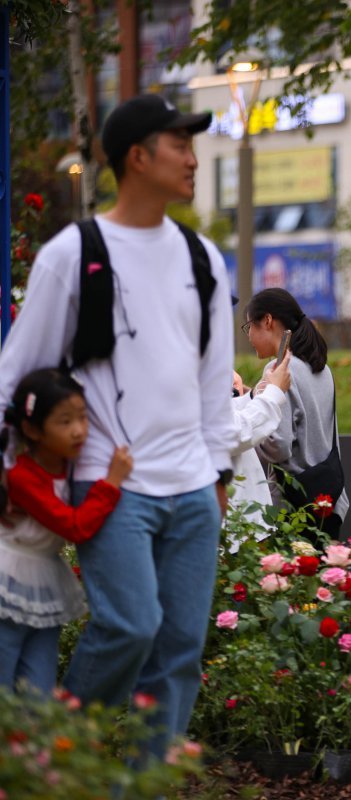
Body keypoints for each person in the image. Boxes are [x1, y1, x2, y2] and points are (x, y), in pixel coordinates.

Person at [0, 94, 237, 758]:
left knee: (181, 652)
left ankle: (138, 781)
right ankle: (55, 753)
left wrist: (218, 474)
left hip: (192, 486)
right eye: (179, 145)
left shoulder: (202, 259)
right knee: (132, 627)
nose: (193, 159)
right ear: (137, 157)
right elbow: (18, 373)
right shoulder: (72, 254)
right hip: (114, 482)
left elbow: (215, 380)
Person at [0, 369, 132, 693]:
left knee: (38, 688)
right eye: (64, 421)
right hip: (9, 578)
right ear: (31, 429)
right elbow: (74, 527)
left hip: (44, 576)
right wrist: (111, 483)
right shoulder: (21, 476)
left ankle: (37, 742)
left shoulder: (69, 465)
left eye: (83, 418)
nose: (79, 431)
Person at [244, 288, 347, 535]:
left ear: (267, 321)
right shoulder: (320, 367)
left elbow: (279, 446)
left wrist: (246, 434)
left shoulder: (280, 368)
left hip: (294, 508)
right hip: (329, 501)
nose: (248, 336)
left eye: (249, 326)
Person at [229, 351, 291, 533]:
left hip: (243, 522)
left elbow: (222, 416)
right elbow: (230, 433)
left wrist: (254, 395)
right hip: (233, 526)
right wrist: (272, 393)